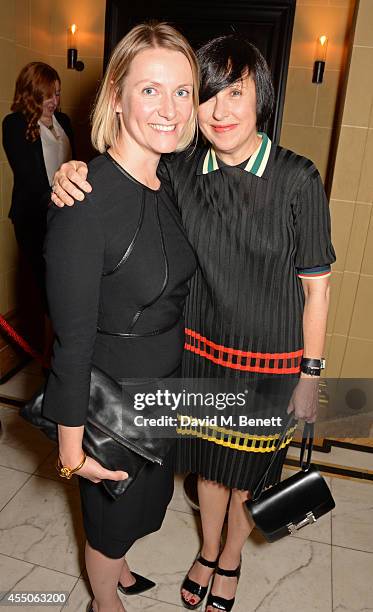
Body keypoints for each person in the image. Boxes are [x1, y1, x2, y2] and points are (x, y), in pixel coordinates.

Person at [50, 33, 335, 612]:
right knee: (207, 469)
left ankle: (229, 561)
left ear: (263, 98)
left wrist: (311, 373)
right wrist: (70, 170)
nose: (219, 109)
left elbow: (317, 287)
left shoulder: (296, 179)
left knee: (245, 475)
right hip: (197, 360)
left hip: (269, 364)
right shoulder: (182, 170)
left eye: (236, 92)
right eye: (205, 94)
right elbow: (123, 184)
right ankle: (205, 553)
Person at [41, 23, 198, 612]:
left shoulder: (168, 179)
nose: (169, 108)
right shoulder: (85, 206)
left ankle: (122, 567)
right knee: (108, 522)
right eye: (150, 90)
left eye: (182, 91)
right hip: (113, 404)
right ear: (115, 97)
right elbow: (72, 344)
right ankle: (104, 602)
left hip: (162, 389)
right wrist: (73, 451)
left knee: (140, 508)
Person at [2, 62, 74, 359]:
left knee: (63, 283)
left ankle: (56, 350)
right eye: (47, 95)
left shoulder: (65, 121)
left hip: (64, 214)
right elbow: (28, 176)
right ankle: (48, 355)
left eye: (57, 94)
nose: (54, 102)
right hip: (34, 217)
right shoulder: (15, 124)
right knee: (47, 282)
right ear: (31, 94)